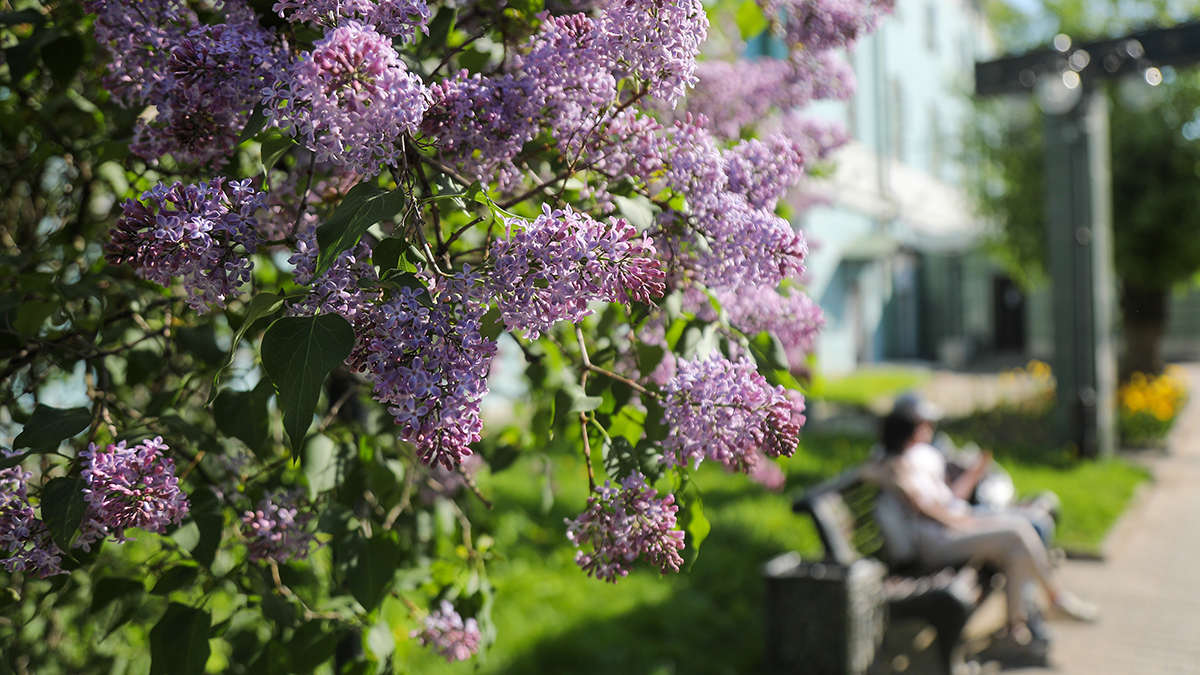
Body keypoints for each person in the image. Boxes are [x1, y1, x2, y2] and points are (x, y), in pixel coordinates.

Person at [864, 394, 1098, 649]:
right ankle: (1055, 599)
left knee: (1017, 542)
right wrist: (962, 521)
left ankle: (1015, 629)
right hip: (937, 541)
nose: (929, 429)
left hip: (949, 528)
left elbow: (946, 500)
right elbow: (924, 508)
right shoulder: (897, 466)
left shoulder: (918, 459)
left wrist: (973, 476)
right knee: (1017, 532)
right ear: (909, 431)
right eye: (923, 425)